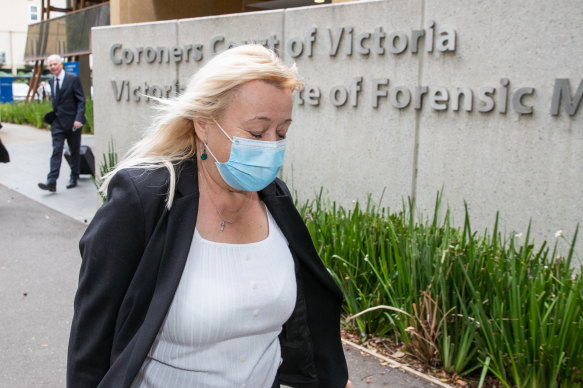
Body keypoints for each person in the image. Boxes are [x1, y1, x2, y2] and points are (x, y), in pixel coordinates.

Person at [67, 45, 353, 388]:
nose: (271, 146)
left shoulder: (276, 199)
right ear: (203, 124)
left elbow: (301, 323)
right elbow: (92, 343)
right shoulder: (144, 200)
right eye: (258, 133)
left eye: (282, 132)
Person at [38, 54, 85, 192]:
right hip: (57, 123)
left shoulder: (73, 79)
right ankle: (51, 181)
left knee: (74, 151)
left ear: (61, 64)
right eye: (50, 65)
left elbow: (81, 100)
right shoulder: (51, 81)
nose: (53, 67)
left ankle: (74, 176)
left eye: (55, 64)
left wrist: (78, 119)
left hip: (73, 122)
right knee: (56, 150)